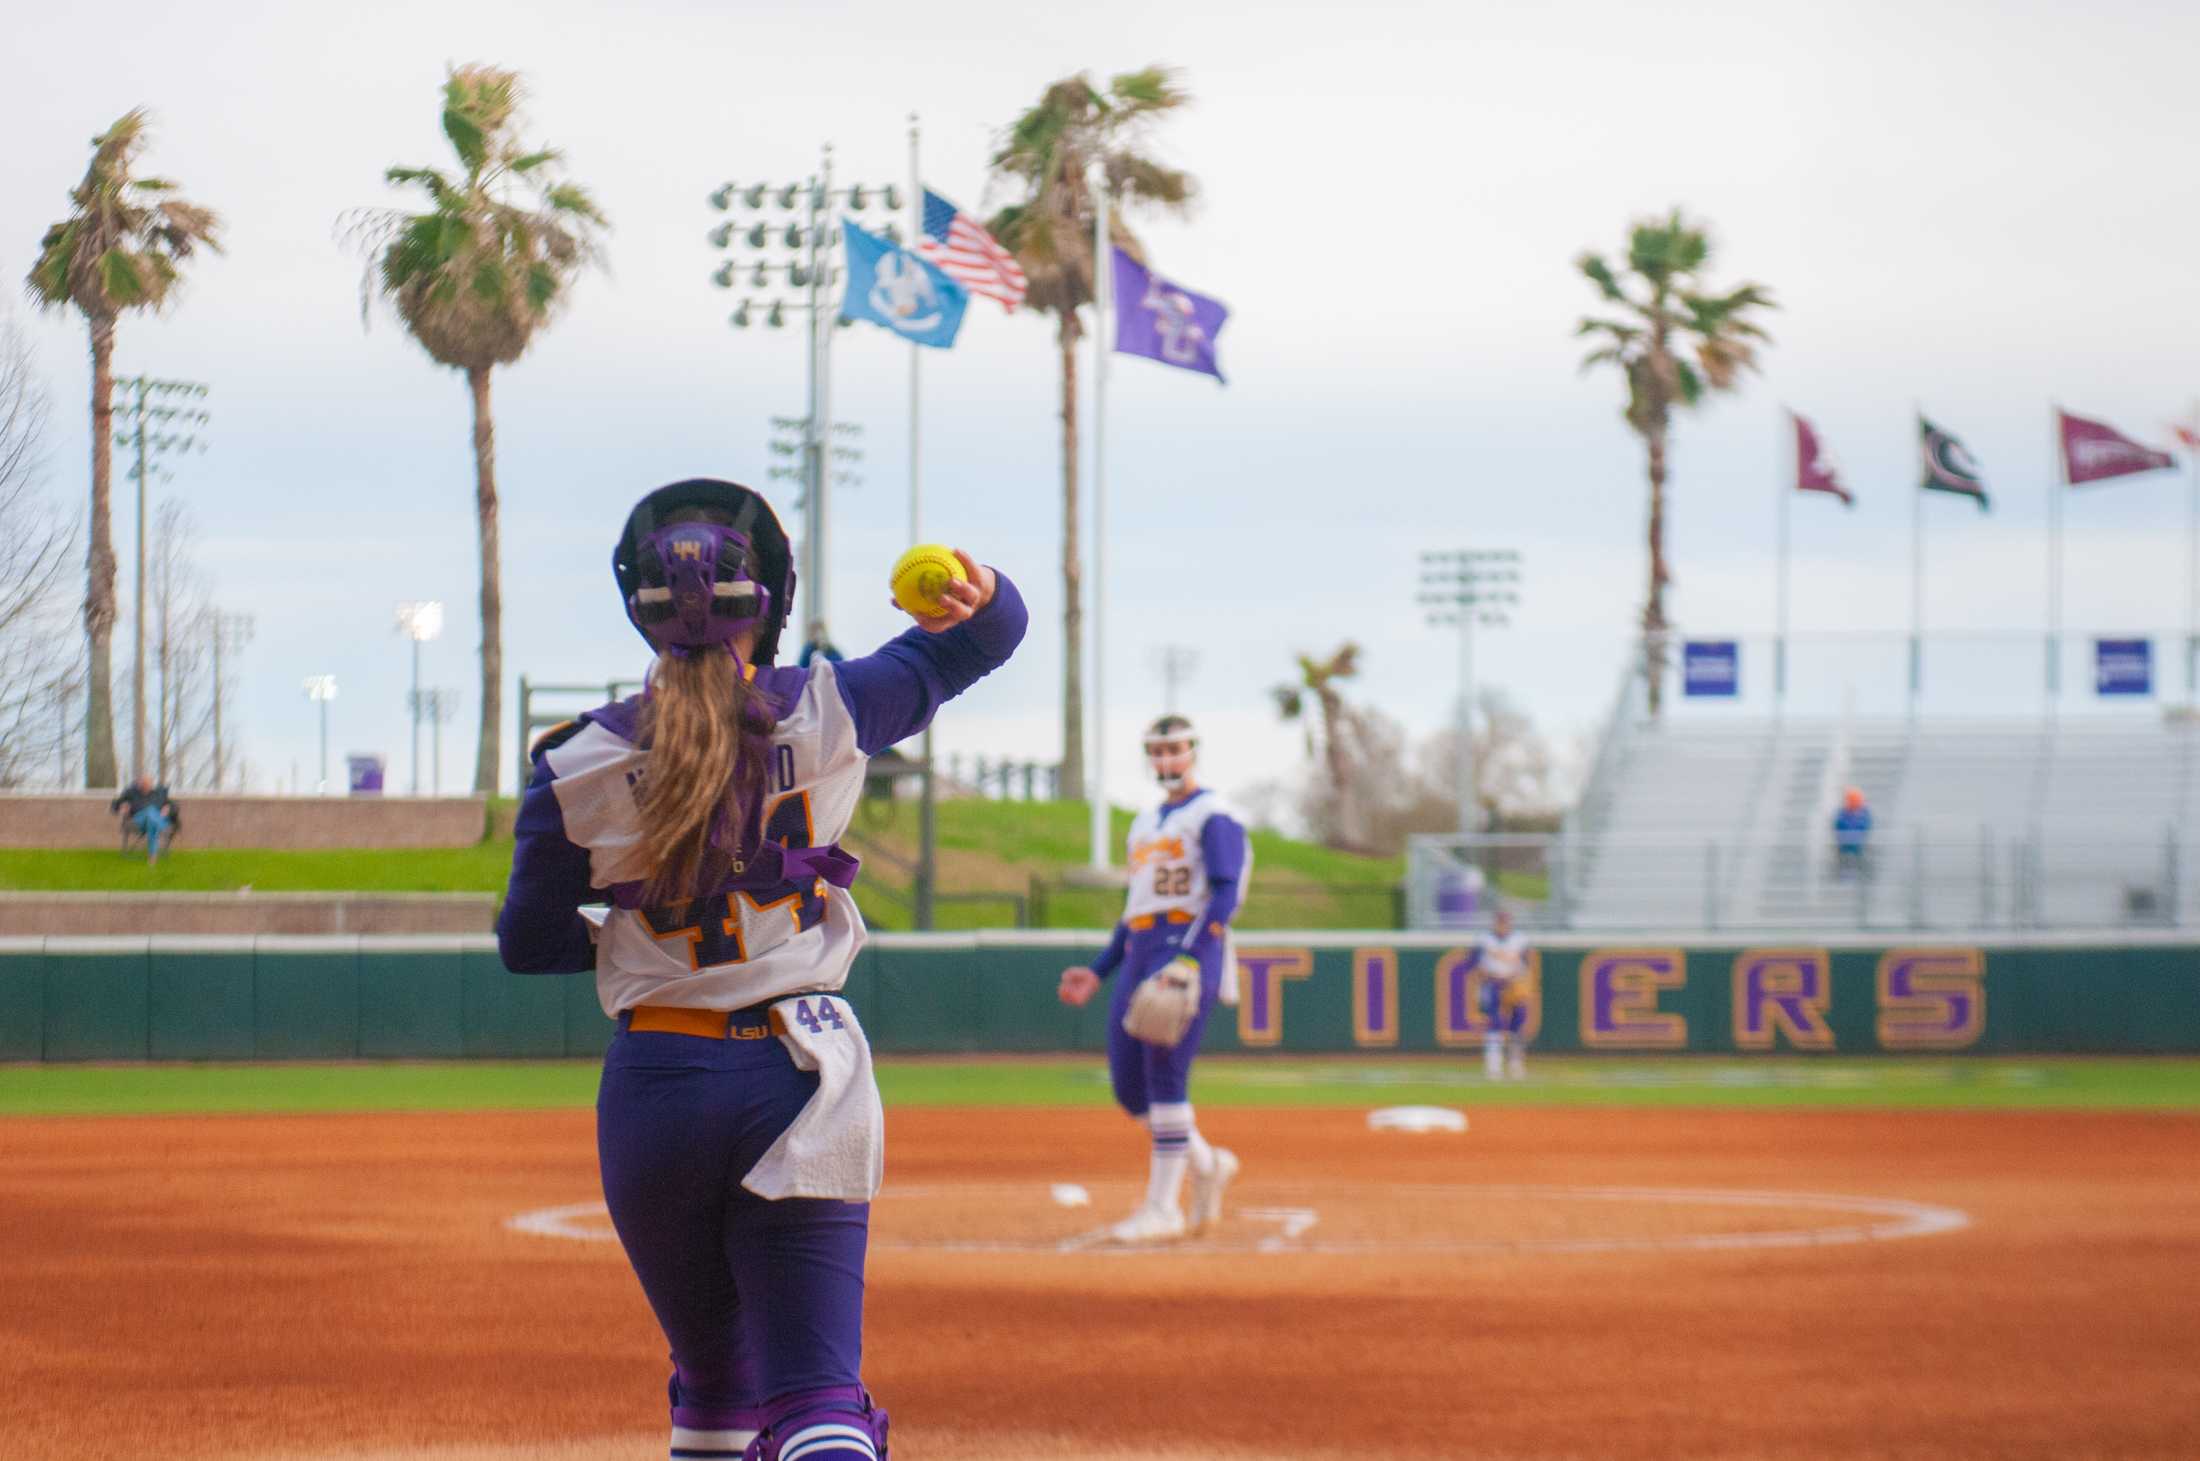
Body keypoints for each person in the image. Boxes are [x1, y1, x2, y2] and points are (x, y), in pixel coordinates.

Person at [496, 478, 1024, 1461]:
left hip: (653, 1088)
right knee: (818, 1397)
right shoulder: (830, 706)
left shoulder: (573, 765)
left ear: (638, 609)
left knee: (715, 1387)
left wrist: (628, 938)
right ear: (769, 600)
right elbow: (986, 638)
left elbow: (527, 944)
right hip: (796, 1077)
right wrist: (982, 591)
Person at [1056, 713, 1251, 1244]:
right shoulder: (1143, 825)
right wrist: (1098, 971)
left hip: (1186, 943)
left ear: (1194, 752)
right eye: (1158, 751)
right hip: (1142, 944)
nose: (1166, 760)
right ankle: (1208, 1163)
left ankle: (1162, 1208)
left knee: (1166, 1073)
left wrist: (1190, 958)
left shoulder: (1214, 814)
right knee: (1129, 1085)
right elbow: (1133, 907)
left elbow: (1226, 891)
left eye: (1175, 749)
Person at [1474, 906, 1534, 1081]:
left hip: (1514, 983)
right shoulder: (1485, 939)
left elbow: (1526, 963)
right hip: (1492, 984)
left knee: (1517, 1023)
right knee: (1494, 1023)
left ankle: (1516, 1062)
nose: (1502, 925)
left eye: (1505, 922)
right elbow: (1475, 963)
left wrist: (1519, 980)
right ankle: (1493, 1064)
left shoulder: (1519, 939)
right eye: (1500, 921)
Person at [110, 775, 177, 864]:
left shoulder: (159, 794)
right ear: (139, 784)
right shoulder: (131, 793)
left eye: (147, 785)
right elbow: (115, 804)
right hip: (138, 822)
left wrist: (168, 808)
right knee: (150, 812)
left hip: (157, 821)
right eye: (143, 785)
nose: (145, 787)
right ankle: (152, 855)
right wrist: (121, 807)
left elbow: (174, 806)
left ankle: (152, 856)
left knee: (151, 819)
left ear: (152, 785)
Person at [1833, 785, 1871, 878]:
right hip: (1844, 844)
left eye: (1855, 799)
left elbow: (1865, 825)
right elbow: (1839, 825)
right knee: (1843, 859)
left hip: (1858, 844)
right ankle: (1843, 875)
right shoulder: (1842, 812)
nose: (1853, 802)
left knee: (1859, 858)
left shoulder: (1864, 812)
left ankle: (1860, 874)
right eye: (1851, 800)